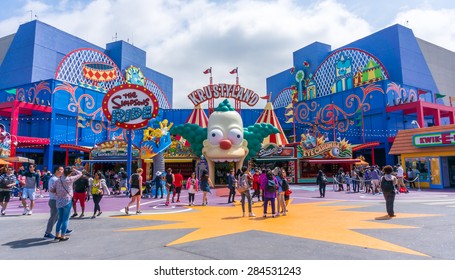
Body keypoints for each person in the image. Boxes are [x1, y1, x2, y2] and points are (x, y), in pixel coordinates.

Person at [50, 167, 82, 241]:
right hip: (67, 201)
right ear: (70, 173)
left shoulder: (58, 180)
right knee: (66, 219)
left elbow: (52, 189)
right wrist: (75, 170)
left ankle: (57, 235)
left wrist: (57, 192)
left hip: (59, 201)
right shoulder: (69, 179)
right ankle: (63, 236)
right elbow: (80, 174)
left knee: (60, 219)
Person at [44, 166, 72, 240]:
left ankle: (64, 229)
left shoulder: (58, 179)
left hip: (57, 200)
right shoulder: (54, 179)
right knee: (53, 217)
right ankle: (47, 233)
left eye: (63, 170)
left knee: (60, 217)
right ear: (56, 171)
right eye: (61, 170)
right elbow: (53, 190)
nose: (62, 171)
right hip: (54, 200)